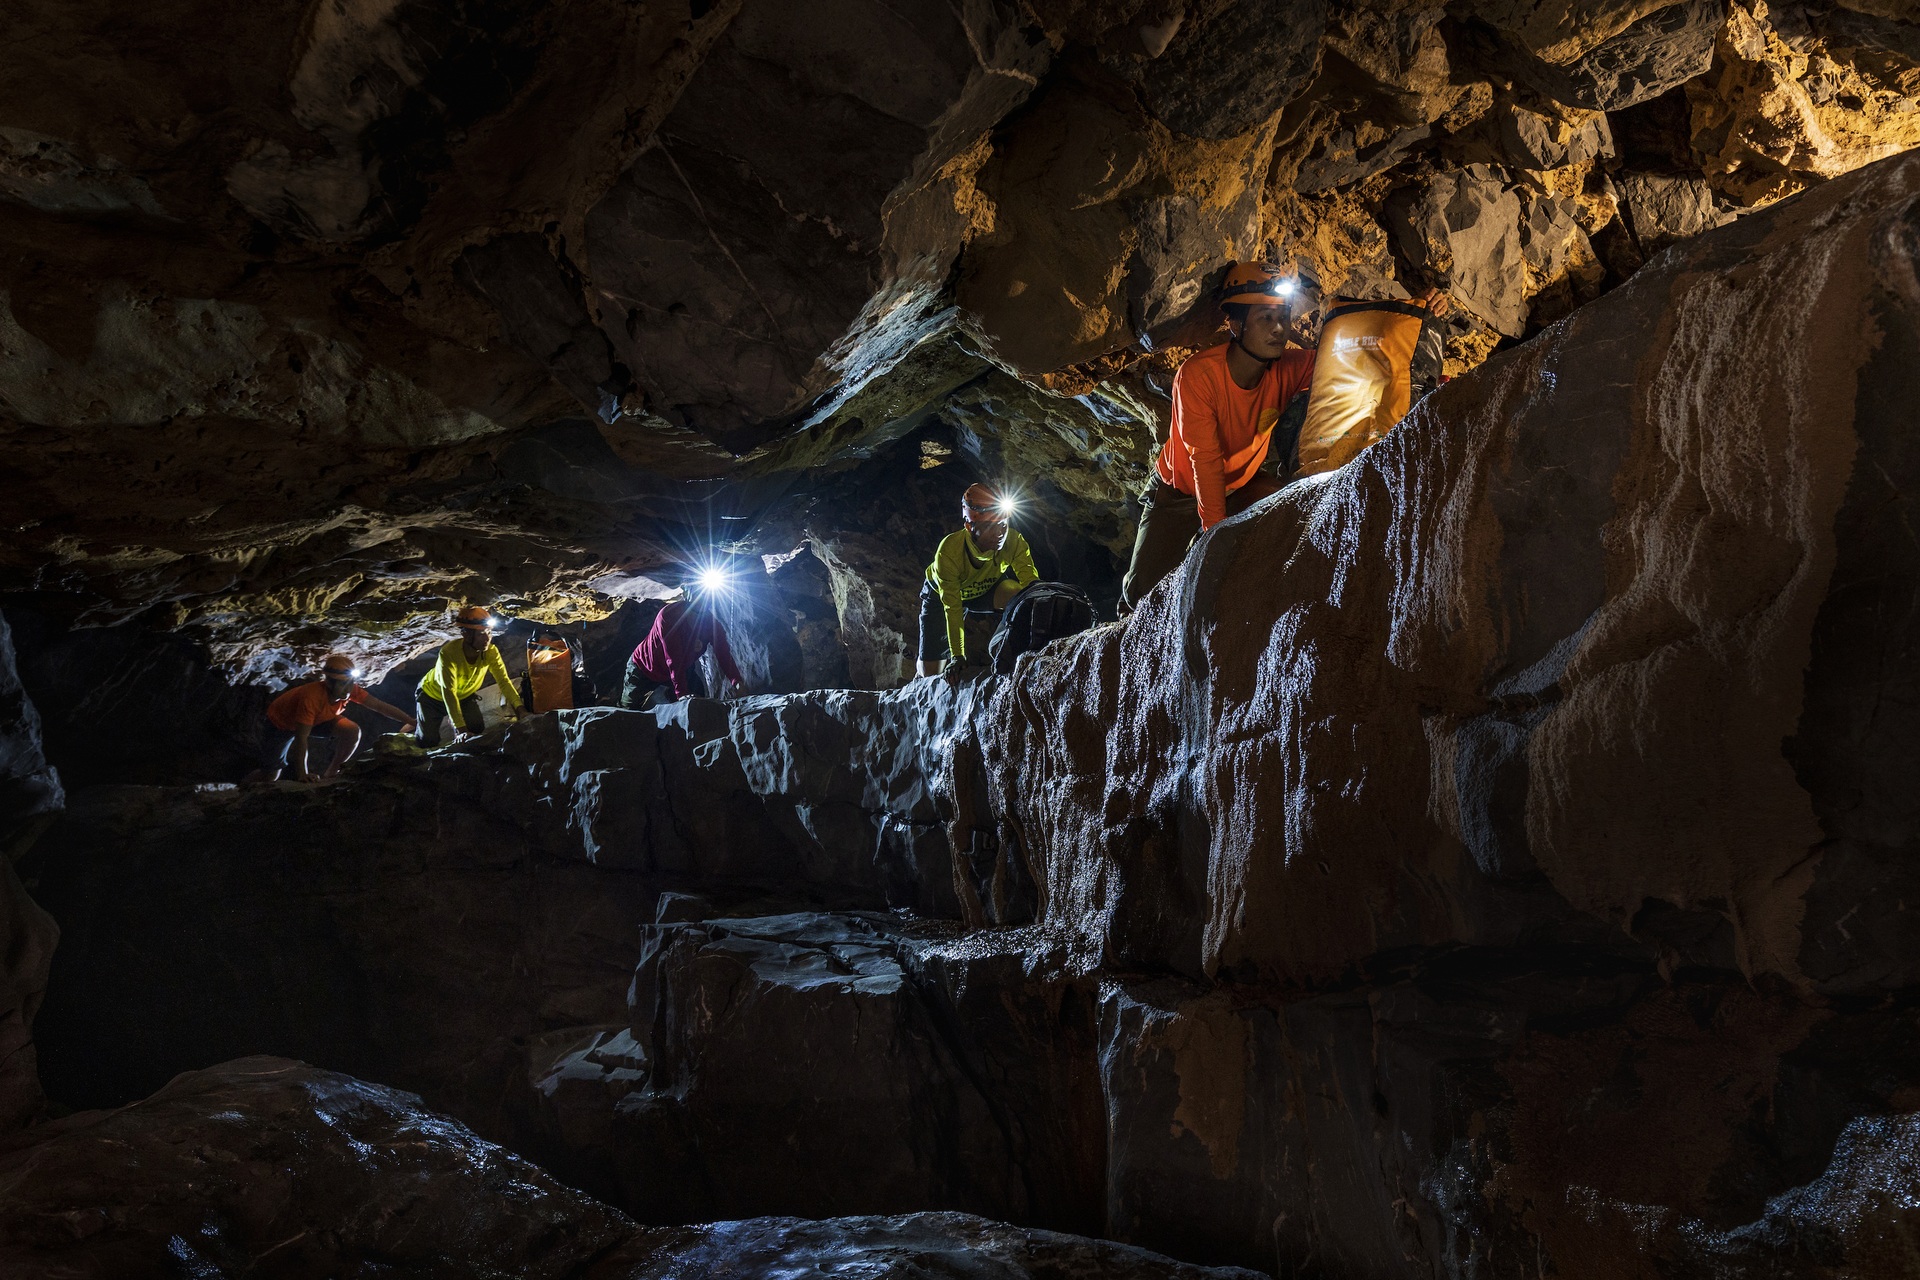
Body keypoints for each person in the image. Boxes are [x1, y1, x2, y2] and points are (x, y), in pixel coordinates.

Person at [1119, 262, 1321, 613]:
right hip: (1179, 490)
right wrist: (1215, 535)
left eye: (1283, 317)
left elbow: (1346, 356)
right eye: (1265, 318)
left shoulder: (1289, 367)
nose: (1279, 329)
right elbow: (1205, 459)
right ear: (1236, 324)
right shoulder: (1199, 376)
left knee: (1289, 513)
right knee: (1142, 597)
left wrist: (1415, 313)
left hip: (1241, 483)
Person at [918, 482, 1039, 677]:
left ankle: (1010, 651)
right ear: (969, 525)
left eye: (1003, 524)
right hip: (941, 596)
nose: (1000, 532)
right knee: (930, 674)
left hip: (985, 588)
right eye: (991, 526)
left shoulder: (1014, 542)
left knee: (1019, 596)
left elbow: (1031, 586)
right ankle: (919, 671)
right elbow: (953, 608)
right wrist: (957, 656)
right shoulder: (949, 551)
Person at [248, 653, 414, 782]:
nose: (348, 688)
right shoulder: (312, 697)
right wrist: (303, 774)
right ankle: (243, 786)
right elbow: (301, 738)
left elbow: (379, 706)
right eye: (343, 683)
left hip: (318, 719)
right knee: (270, 775)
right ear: (329, 682)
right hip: (281, 725)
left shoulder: (351, 689)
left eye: (350, 682)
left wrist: (410, 721)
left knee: (351, 731)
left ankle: (332, 772)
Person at [416, 605, 525, 746]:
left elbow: (503, 681)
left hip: (464, 696)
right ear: (466, 634)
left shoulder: (490, 652)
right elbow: (448, 691)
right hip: (432, 696)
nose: (487, 638)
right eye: (481, 634)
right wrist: (460, 729)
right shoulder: (449, 653)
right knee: (428, 741)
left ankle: (453, 717)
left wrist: (521, 710)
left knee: (476, 728)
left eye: (489, 633)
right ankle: (421, 726)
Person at [621, 593, 745, 708]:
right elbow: (673, 658)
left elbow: (723, 653)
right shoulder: (669, 616)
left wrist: (737, 682)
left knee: (699, 703)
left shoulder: (711, 624)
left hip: (680, 670)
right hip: (644, 668)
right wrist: (682, 694)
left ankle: (671, 697)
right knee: (627, 710)